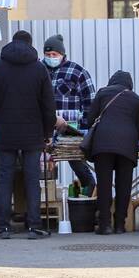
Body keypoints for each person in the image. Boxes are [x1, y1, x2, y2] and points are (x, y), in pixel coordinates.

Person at [0, 30, 57, 240]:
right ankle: (35, 226)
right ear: (30, 44)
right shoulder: (39, 69)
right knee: (32, 179)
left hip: (6, 131)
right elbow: (49, 106)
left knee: (5, 179)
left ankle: (1, 226)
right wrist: (47, 132)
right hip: (33, 133)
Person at [85, 70, 139, 235]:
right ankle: (120, 224)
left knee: (104, 185)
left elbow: (90, 120)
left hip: (102, 144)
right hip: (127, 146)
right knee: (124, 185)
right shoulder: (136, 99)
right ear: (129, 85)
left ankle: (104, 225)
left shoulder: (102, 93)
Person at [43, 34, 98, 194]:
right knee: (43, 167)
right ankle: (46, 198)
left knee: (76, 162)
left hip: (70, 129)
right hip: (44, 128)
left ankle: (89, 191)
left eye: (54, 55)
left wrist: (87, 128)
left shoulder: (77, 71)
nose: (51, 58)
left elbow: (90, 100)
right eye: (47, 55)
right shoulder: (39, 70)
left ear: (62, 54)